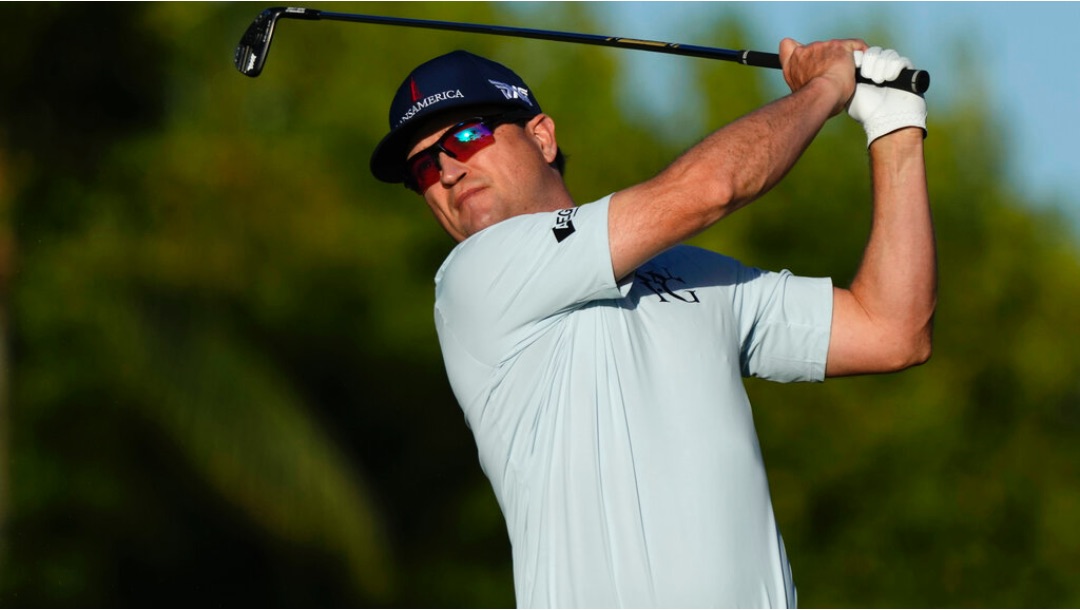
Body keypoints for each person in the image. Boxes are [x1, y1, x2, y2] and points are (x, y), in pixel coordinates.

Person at [369, 39, 935, 608]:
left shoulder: (688, 273)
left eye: (467, 136)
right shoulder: (474, 278)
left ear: (541, 137)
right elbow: (710, 190)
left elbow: (892, 330)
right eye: (423, 166)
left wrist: (895, 129)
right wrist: (828, 88)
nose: (446, 170)